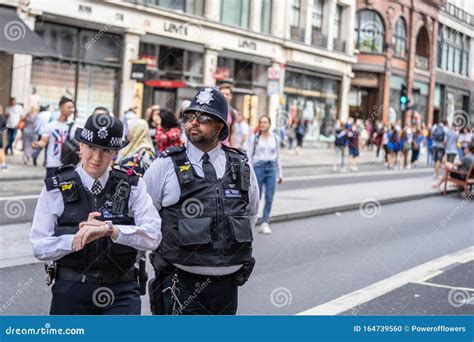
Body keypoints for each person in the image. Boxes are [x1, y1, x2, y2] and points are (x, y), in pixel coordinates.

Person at [30, 113, 162, 315]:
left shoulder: (133, 185)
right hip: (71, 289)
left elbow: (153, 237)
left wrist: (111, 230)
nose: (97, 157)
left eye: (106, 150)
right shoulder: (55, 188)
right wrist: (77, 239)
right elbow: (39, 246)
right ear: (81, 146)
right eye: (91, 147)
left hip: (121, 291)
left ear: (115, 153)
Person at [144, 87, 259, 315]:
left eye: (203, 118)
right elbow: (145, 215)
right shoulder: (166, 164)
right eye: (189, 116)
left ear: (220, 127)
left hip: (227, 287)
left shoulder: (240, 165)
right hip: (181, 283)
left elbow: (251, 212)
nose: (194, 122)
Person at [248, 115, 282, 234]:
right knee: (256, 196)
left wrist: (280, 173)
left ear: (269, 124)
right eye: (261, 122)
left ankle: (265, 222)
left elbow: (278, 156)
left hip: (271, 167)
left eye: (265, 122)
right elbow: (249, 156)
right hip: (258, 167)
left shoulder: (275, 138)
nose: (263, 124)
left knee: (269, 196)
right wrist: (248, 173)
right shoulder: (254, 138)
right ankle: (252, 221)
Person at [32, 97, 76, 178]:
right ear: (61, 108)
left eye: (72, 107)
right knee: (50, 190)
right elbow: (44, 141)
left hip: (68, 165)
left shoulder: (74, 126)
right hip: (52, 165)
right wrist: (38, 144)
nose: (71, 110)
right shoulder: (50, 126)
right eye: (69, 107)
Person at [0, 105, 7, 171]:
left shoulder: (2, 118)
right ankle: (3, 165)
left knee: (1, 151)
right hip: (0, 136)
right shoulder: (3, 118)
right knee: (1, 151)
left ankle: (3, 165)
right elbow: (5, 128)